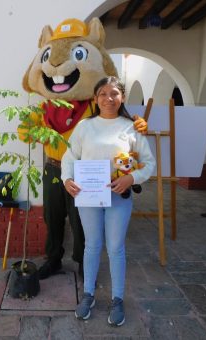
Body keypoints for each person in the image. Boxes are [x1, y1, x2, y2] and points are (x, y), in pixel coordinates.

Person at [61, 77, 155, 326]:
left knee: (115, 248)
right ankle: (88, 294)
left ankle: (117, 298)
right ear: (95, 98)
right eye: (102, 93)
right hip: (89, 196)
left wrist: (132, 178)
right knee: (92, 245)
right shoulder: (85, 127)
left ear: (122, 97)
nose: (108, 98)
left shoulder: (132, 127)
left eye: (114, 93)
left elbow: (150, 163)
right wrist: (67, 178)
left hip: (118, 197)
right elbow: (70, 156)